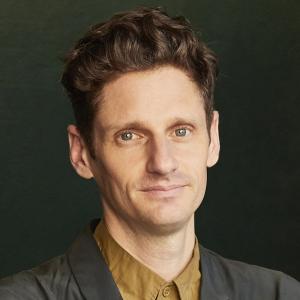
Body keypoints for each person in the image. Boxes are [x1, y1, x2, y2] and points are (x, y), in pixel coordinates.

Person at [0, 6, 299, 300]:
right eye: (129, 136)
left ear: (213, 139)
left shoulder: (281, 294)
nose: (162, 162)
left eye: (181, 131)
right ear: (81, 153)